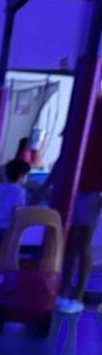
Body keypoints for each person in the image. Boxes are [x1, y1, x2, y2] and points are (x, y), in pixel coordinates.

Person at [56, 97, 102, 315]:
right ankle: (65, 291)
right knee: (71, 240)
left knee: (82, 241)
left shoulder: (95, 107)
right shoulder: (83, 106)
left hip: (92, 189)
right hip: (74, 185)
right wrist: (46, 186)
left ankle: (78, 295)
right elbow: (65, 151)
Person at [0, 157, 31, 281]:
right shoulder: (20, 192)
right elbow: (16, 211)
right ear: (21, 176)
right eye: (26, 176)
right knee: (9, 255)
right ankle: (2, 279)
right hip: (10, 228)